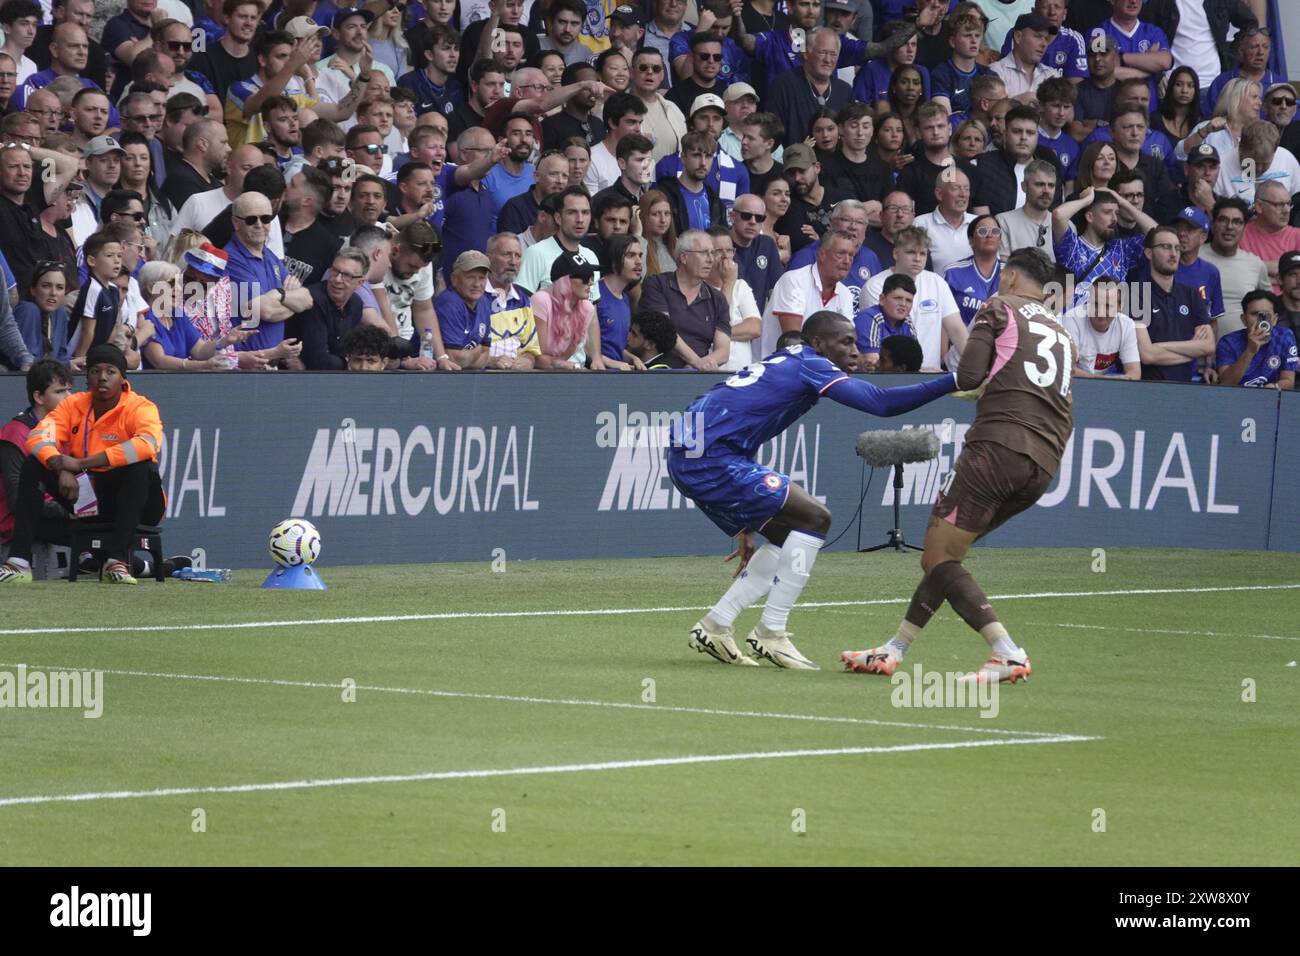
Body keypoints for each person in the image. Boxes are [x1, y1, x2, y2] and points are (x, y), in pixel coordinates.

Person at [672, 308, 966, 670]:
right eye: (845, 342)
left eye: (856, 342)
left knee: (784, 535)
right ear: (817, 343)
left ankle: (716, 625)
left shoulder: (787, 359)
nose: (854, 351)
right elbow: (882, 403)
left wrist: (745, 521)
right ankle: (771, 632)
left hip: (695, 455)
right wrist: (955, 379)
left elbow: (730, 417)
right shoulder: (812, 364)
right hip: (711, 459)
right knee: (815, 518)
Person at [843, 247, 1068, 685]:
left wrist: (963, 388)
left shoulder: (1000, 306)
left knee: (938, 554)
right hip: (1044, 460)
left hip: (997, 448)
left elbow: (967, 375)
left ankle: (1006, 651)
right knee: (944, 559)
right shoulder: (1061, 326)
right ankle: (893, 649)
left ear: (1010, 277)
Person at [0, 344, 164, 586]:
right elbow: (38, 438)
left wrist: (79, 464)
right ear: (87, 377)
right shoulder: (73, 405)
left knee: (141, 466)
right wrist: (61, 467)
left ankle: (116, 561)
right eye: (95, 371)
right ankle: (18, 562)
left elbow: (146, 445)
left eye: (111, 371)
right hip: (90, 495)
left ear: (123, 379)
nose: (102, 378)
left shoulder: (140, 407)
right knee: (35, 464)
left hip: (143, 503)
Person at [0, 359, 73, 565]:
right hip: (18, 525)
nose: (69, 398)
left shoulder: (66, 429)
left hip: (57, 515)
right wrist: (69, 511)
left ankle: (149, 567)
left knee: (103, 527)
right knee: (90, 532)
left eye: (69, 390)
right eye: (60, 392)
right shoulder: (15, 435)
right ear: (38, 397)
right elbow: (18, 502)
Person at [861, 226, 963, 370]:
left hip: (932, 375)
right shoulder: (875, 286)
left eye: (923, 254)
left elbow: (957, 330)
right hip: (892, 376)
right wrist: (917, 371)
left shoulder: (937, 282)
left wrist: (977, 367)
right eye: (911, 252)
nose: (917, 259)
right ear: (896, 253)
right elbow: (880, 340)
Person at [640, 229, 731, 370]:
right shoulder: (657, 284)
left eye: (712, 253)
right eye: (703, 253)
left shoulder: (718, 299)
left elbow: (723, 351)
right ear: (683, 257)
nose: (711, 259)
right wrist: (696, 363)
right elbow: (665, 331)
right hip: (658, 371)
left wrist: (701, 365)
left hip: (696, 373)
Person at [137, 260, 252, 370]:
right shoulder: (145, 318)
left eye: (179, 283)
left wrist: (225, 341)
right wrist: (203, 366)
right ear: (151, 288)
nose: (178, 289)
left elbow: (200, 350)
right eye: (171, 283)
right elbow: (159, 361)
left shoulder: (177, 315)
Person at [1138, 222, 1216, 381]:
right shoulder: (1135, 293)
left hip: (1184, 389)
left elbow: (1208, 346)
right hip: (1147, 388)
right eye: (1166, 247)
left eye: (1177, 248)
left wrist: (1160, 347)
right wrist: (1192, 351)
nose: (1173, 254)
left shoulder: (1192, 294)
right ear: (1148, 253)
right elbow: (1147, 355)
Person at [762, 229, 858, 358]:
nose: (847, 261)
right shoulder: (794, 280)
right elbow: (794, 341)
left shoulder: (845, 293)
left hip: (820, 368)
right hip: (777, 367)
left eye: (851, 255)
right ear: (822, 254)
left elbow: (846, 340)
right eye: (841, 254)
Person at [1198, 196, 1271, 337]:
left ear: (1245, 228)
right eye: (1223, 220)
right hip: (1198, 350)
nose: (1229, 227)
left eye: (1237, 222)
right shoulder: (1194, 256)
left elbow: (1268, 307)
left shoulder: (1255, 264)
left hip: (1244, 351)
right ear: (1212, 224)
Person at [1059, 274, 1141, 378]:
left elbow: (1135, 372)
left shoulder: (1126, 325)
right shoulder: (1071, 319)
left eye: (1107, 306)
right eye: (1096, 304)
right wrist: (1101, 381)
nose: (1101, 313)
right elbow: (1067, 369)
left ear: (1120, 307)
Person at [1216, 289, 1298, 388]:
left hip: (1270, 399)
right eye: (1255, 314)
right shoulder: (1228, 342)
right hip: (1235, 399)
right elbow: (1225, 383)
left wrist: (1272, 387)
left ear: (1275, 319)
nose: (1261, 320)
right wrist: (1249, 351)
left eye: (1266, 315)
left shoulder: (1284, 336)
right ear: (1244, 319)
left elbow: (1288, 381)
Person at [531, 257, 603, 369]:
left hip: (560, 373)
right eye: (584, 277)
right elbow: (536, 357)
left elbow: (562, 359)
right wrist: (571, 366)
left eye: (591, 276)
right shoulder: (541, 300)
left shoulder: (586, 308)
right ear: (564, 280)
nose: (590, 282)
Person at [1239, 180, 1300, 291]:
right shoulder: (1239, 234)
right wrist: (1265, 267)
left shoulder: (1297, 236)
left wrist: (1255, 271)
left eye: (1288, 204)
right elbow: (1231, 268)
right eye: (1279, 204)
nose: (1286, 210)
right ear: (1259, 206)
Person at [595, 233, 644, 369]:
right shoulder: (594, 293)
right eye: (630, 255)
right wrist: (614, 364)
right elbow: (582, 346)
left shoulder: (625, 298)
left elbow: (614, 348)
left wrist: (633, 358)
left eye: (640, 255)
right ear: (614, 261)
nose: (639, 261)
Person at [853, 272, 917, 371]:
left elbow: (913, 361)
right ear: (882, 299)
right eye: (897, 298)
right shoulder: (870, 317)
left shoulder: (907, 322)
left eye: (908, 300)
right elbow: (872, 362)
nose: (903, 304)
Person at [996, 159, 1057, 261]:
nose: (1046, 191)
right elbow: (1004, 270)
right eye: (1039, 184)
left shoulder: (1065, 226)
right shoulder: (1004, 222)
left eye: (1051, 185)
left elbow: (1070, 270)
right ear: (1024, 186)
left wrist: (1068, 278)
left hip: (1058, 277)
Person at [12, 261, 71, 364]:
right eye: (46, 286)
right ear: (33, 289)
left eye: (60, 287)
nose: (53, 293)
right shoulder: (27, 311)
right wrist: (66, 364)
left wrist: (69, 364)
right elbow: (27, 364)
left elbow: (62, 356)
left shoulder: (60, 312)